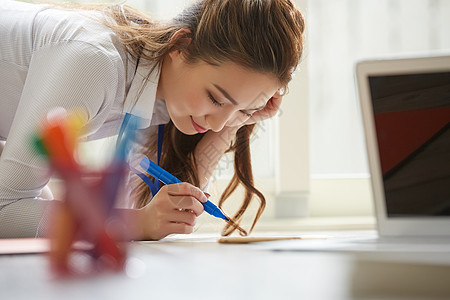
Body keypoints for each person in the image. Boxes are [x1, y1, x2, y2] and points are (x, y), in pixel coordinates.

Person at [0, 0, 305, 240]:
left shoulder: (167, 95)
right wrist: (137, 223)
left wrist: (238, 121)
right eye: (216, 98)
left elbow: (163, 210)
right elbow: (5, 209)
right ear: (180, 46)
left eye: (244, 109)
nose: (216, 123)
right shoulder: (95, 63)